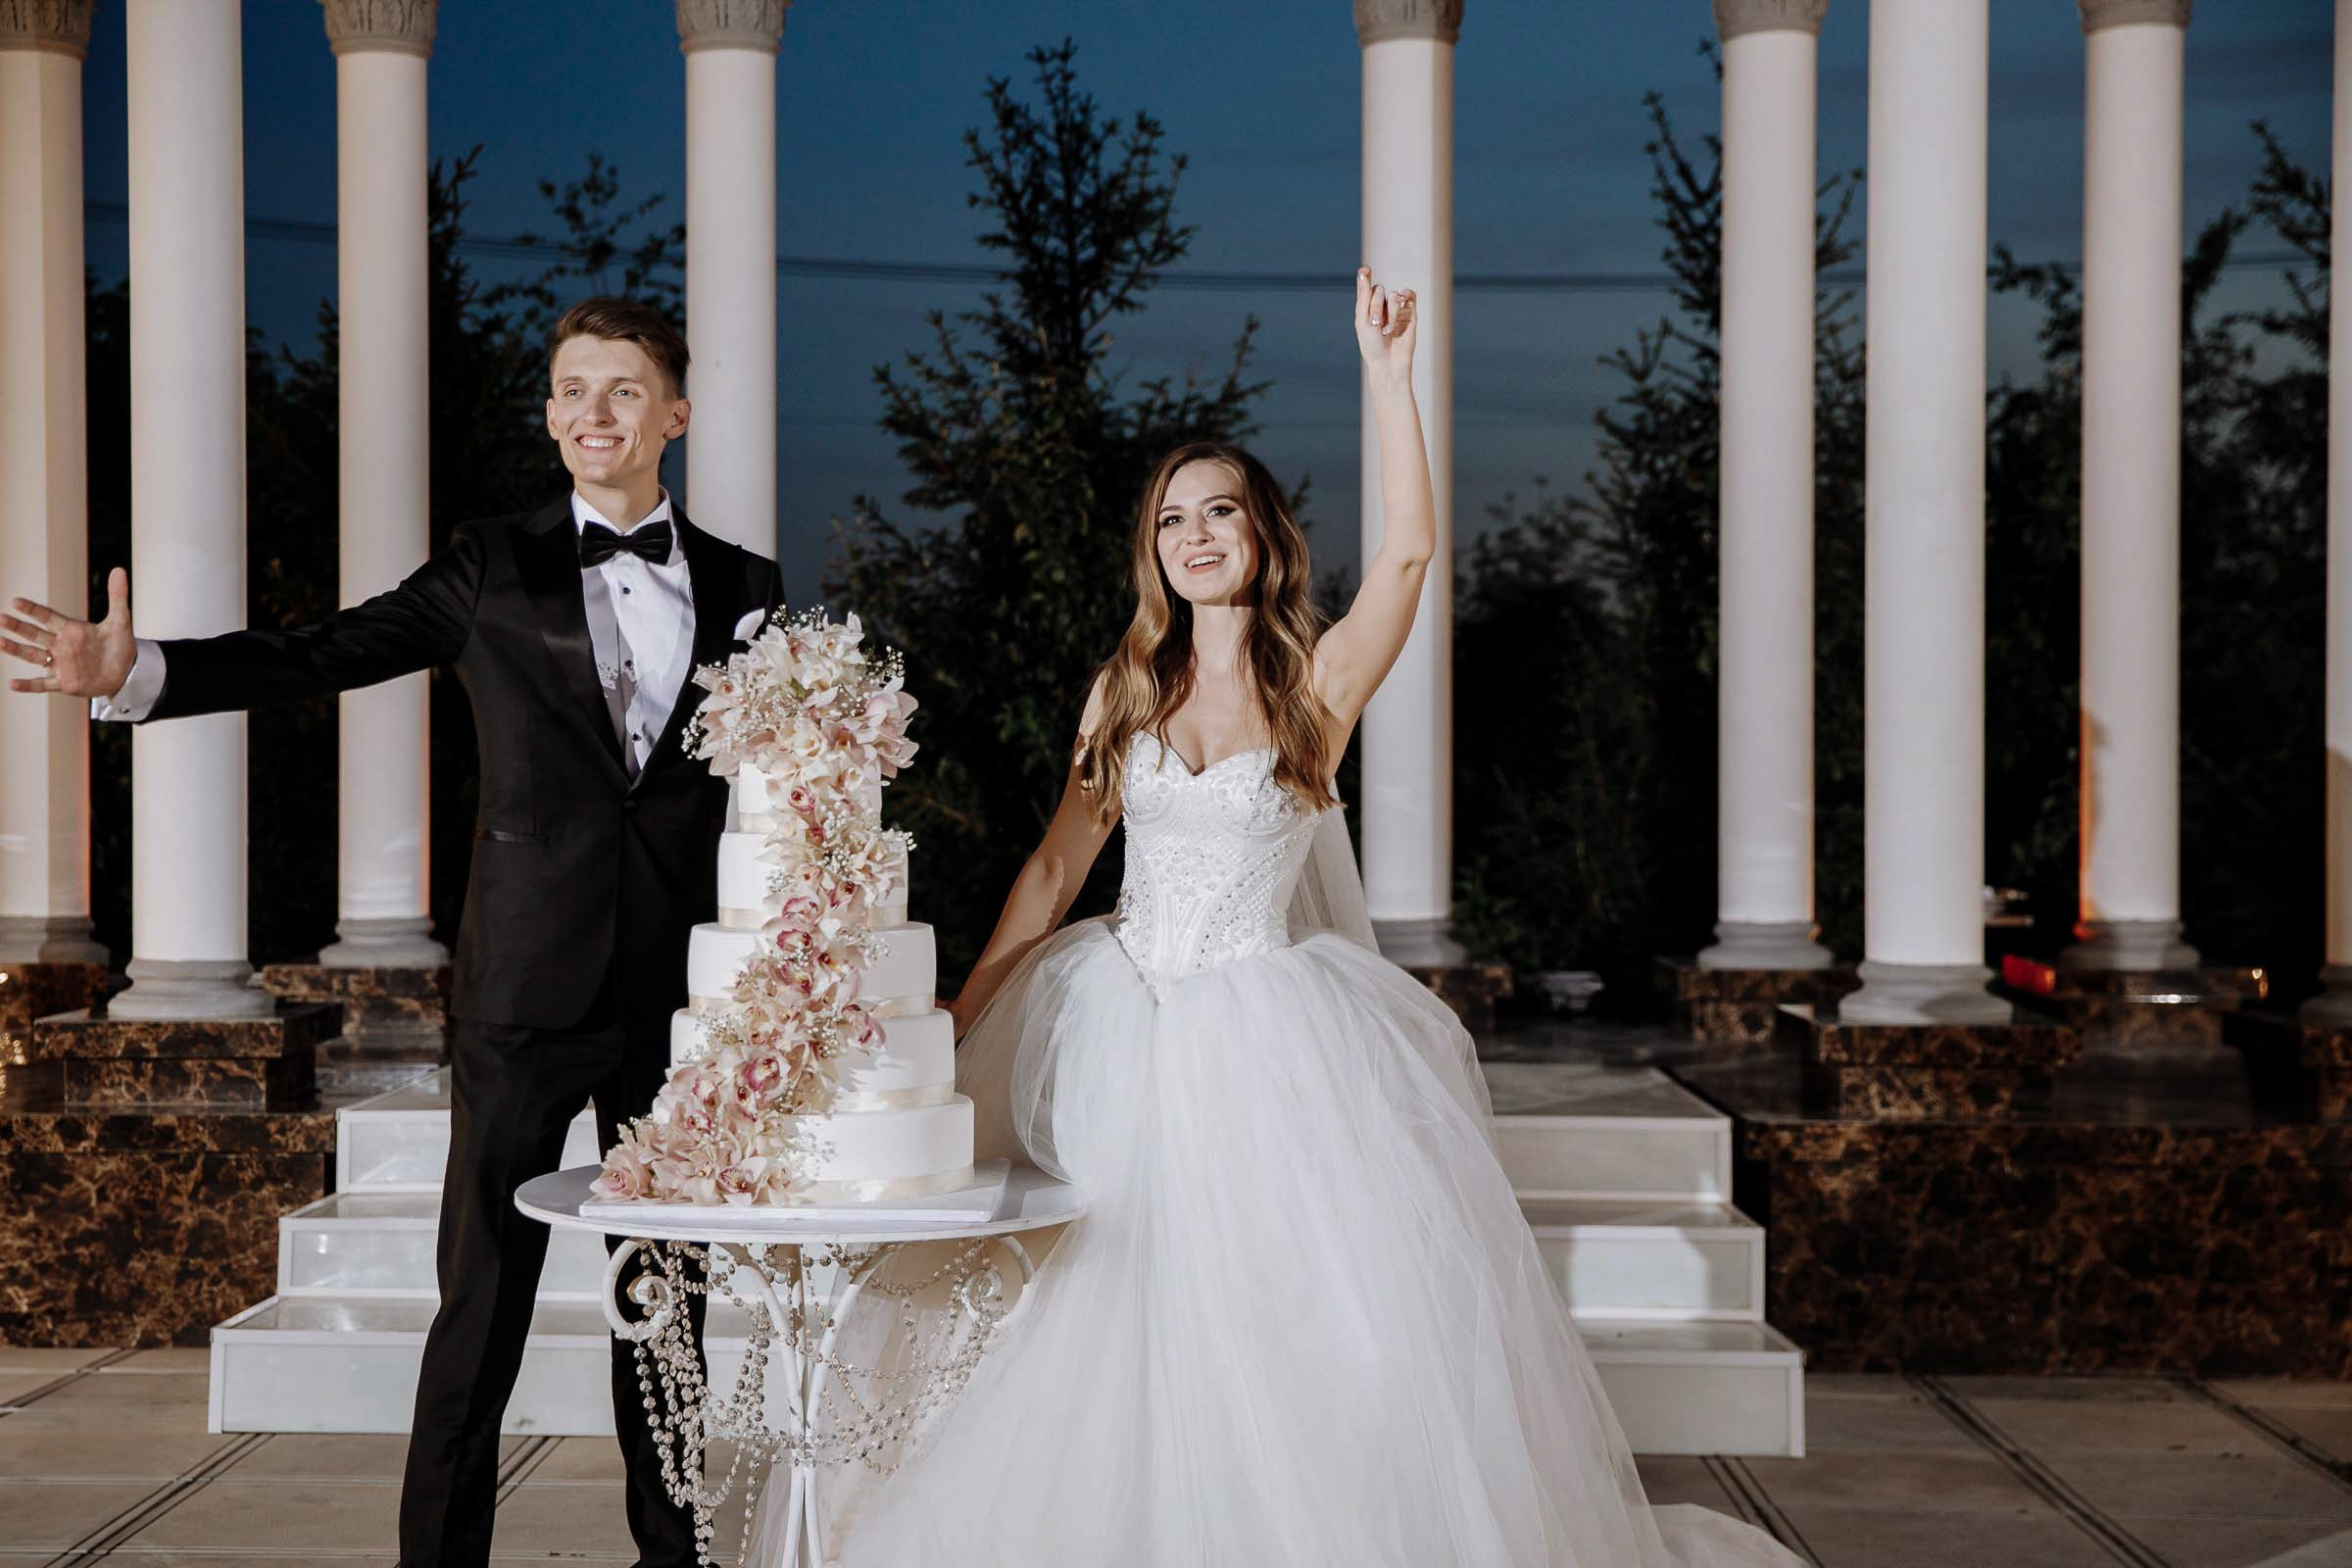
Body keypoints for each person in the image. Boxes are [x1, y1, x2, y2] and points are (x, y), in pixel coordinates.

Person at [817, 270, 1806, 1566]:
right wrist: (961, 1020)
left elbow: (1407, 554)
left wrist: (1388, 380)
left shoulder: (1316, 687)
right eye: (1174, 518)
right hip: (1121, 1023)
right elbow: (1058, 875)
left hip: (1268, 1039)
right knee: (1118, 1301)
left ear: (1263, 533)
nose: (1197, 533)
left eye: (1220, 509)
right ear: (1154, 550)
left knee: (1284, 1317)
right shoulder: (1122, 692)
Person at [1, 297, 780, 1568]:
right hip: (521, 999)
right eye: (573, 389)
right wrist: (140, 677)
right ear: (548, 416)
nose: (595, 411)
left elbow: (777, 785)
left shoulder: (750, 586)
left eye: (624, 390)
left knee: (670, 1308)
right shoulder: (488, 563)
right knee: (481, 1315)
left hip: (674, 1001)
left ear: (673, 416)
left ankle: (672, 1556)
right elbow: (324, 653)